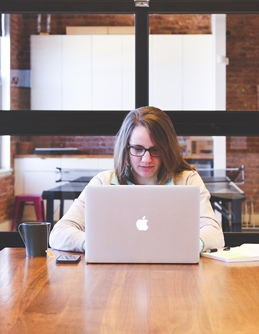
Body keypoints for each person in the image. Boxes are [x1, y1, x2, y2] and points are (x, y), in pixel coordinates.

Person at [49, 106, 225, 253]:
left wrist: (185, 247)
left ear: (167, 149)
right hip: (113, 275)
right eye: (138, 149)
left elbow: (215, 234)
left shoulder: (187, 180)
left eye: (155, 150)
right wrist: (96, 244)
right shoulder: (103, 182)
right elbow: (59, 233)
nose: (146, 159)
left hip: (174, 276)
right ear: (125, 148)